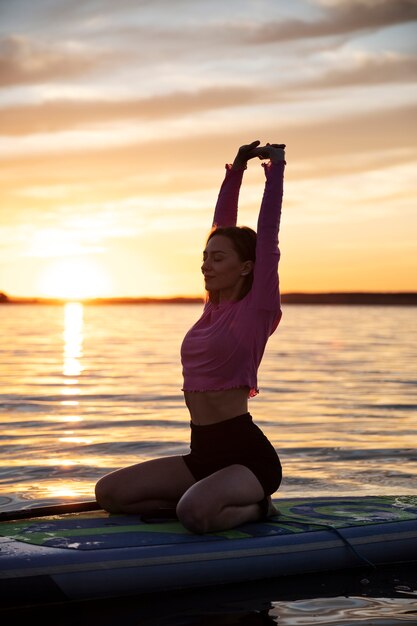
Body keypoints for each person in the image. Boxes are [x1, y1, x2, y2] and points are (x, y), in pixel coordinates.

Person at [95, 140, 286, 533]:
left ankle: (257, 508)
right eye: (205, 258)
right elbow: (221, 224)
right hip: (202, 454)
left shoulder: (256, 311)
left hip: (247, 460)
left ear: (248, 267)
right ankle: (202, 496)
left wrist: (274, 170)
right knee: (109, 494)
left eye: (218, 259)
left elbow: (268, 235)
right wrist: (236, 170)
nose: (207, 266)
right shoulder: (210, 309)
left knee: (194, 515)